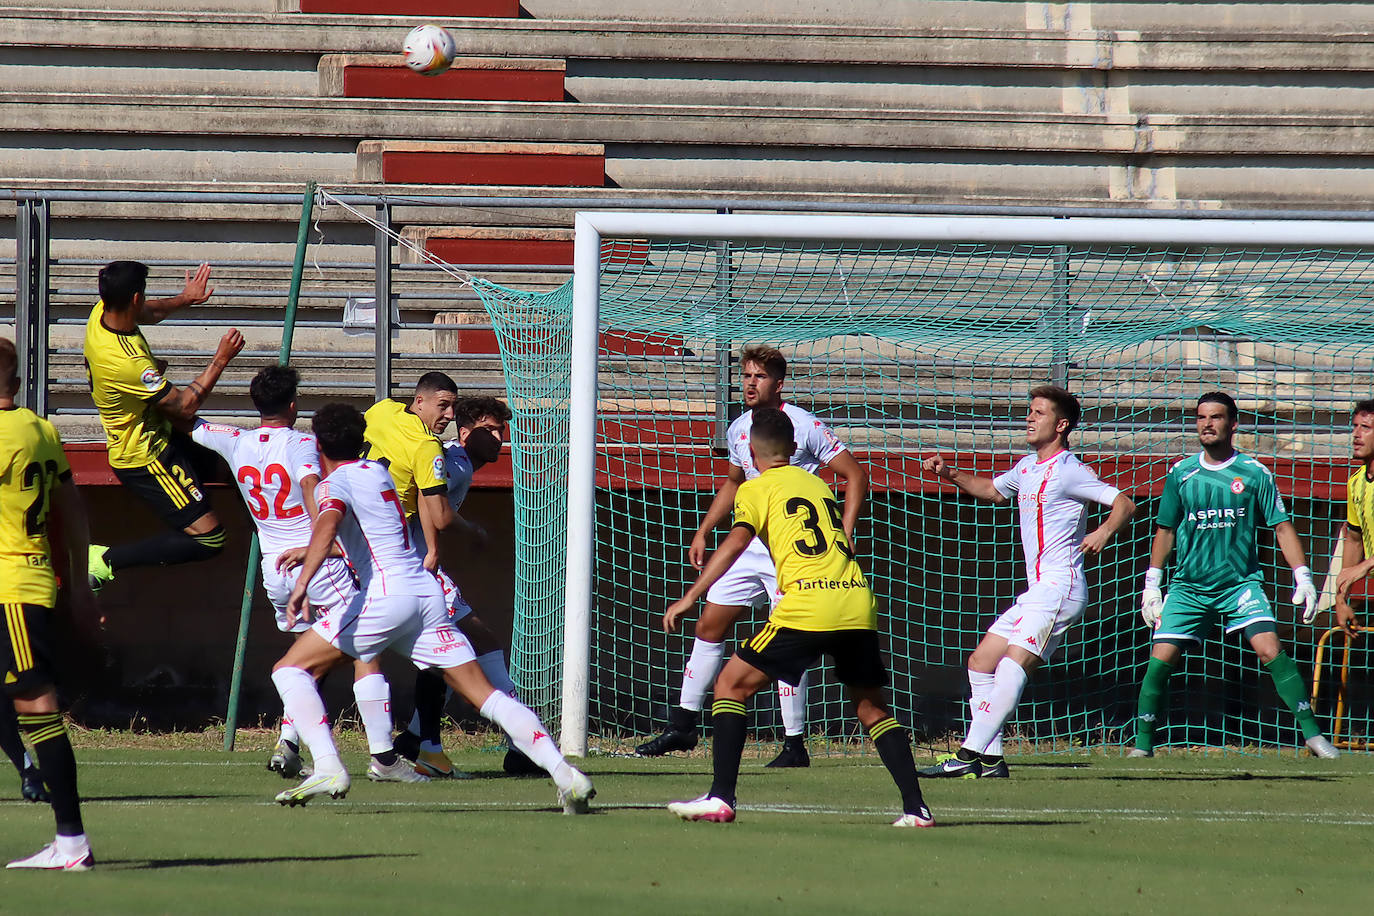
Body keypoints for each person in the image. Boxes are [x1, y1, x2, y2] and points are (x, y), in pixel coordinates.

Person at [268, 403, 594, 813]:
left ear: (318, 445)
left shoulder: (331, 487)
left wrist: (302, 583)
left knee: (290, 669)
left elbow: (330, 524)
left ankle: (329, 765)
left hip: (384, 595)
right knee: (486, 695)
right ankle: (566, 774)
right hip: (426, 593)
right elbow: (372, 532)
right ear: (363, 440)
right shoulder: (378, 473)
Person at [665, 407, 931, 827]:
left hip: (807, 606)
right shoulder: (817, 484)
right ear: (793, 448)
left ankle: (721, 797)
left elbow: (735, 544)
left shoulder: (755, 488)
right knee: (871, 709)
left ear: (750, 451)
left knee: (730, 686)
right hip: (855, 600)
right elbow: (852, 486)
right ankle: (917, 809)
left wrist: (690, 596)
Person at [189, 365, 423, 784]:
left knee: (305, 657)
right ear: (293, 405)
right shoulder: (302, 444)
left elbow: (191, 422)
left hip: (273, 568)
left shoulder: (235, 440)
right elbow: (314, 488)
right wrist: (326, 539)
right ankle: (383, 757)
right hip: (314, 563)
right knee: (364, 649)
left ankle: (289, 744)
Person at [639, 345, 868, 768]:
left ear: (778, 384)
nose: (749, 382)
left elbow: (855, 474)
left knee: (787, 640)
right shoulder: (740, 427)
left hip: (793, 552)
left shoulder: (802, 425)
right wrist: (704, 530)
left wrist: (845, 533)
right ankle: (683, 724)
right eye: (745, 375)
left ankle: (794, 744)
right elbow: (733, 482)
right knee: (710, 622)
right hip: (748, 543)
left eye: (759, 376)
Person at [918, 386, 1136, 778]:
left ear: (1062, 424)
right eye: (1029, 411)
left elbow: (1124, 502)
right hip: (1037, 590)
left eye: (1039, 412)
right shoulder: (1026, 467)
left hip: (1060, 587)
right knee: (981, 663)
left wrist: (1103, 532)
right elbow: (990, 490)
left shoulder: (1069, 468)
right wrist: (949, 472)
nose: (1030, 418)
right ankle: (990, 760)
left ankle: (966, 756)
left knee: (1012, 664)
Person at [1131, 392, 1339, 758]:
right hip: (1189, 586)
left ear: (1233, 423)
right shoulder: (1181, 474)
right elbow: (1164, 530)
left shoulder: (1254, 473)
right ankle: (1142, 746)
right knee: (1160, 660)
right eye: (1200, 418)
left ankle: (1314, 737)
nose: (1206, 424)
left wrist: (1303, 576)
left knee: (1270, 649)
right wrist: (1152, 583)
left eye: (1215, 417)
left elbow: (1281, 526)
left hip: (1240, 585)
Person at [363, 378, 527, 778]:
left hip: (406, 561)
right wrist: (459, 538)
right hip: (413, 565)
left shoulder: (447, 455)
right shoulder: (450, 460)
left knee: (449, 655)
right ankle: (521, 743)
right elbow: (429, 498)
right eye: (489, 430)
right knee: (472, 643)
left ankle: (416, 741)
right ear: (465, 432)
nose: (497, 439)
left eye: (501, 432)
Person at [83, 260, 245, 592]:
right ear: (136, 297)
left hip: (162, 429)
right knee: (210, 539)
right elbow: (185, 406)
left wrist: (186, 299)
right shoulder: (128, 363)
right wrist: (222, 359)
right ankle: (105, 559)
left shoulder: (103, 311)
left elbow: (149, 312)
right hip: (147, 456)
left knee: (239, 462)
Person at [0, 336, 98, 869]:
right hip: (33, 582)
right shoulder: (40, 428)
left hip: (10, 587)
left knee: (36, 705)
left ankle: (70, 841)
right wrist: (79, 586)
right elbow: (74, 509)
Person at [1332, 399, 1374, 638]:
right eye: (1354, 426)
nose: (1356, 435)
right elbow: (1354, 540)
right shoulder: (1356, 482)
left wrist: (1366, 565)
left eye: (1365, 428)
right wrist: (1341, 598)